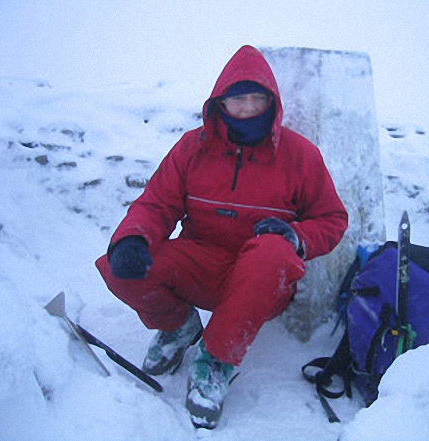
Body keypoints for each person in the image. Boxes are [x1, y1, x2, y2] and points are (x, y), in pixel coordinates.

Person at [95, 45, 348, 429]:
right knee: (120, 264)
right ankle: (179, 326)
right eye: (237, 99)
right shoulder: (191, 148)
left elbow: (332, 219)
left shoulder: (301, 156)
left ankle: (215, 362)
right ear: (220, 102)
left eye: (256, 99)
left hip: (261, 280)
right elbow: (156, 204)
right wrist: (133, 238)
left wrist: (296, 235)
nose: (246, 108)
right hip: (201, 261)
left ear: (271, 101)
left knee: (272, 254)